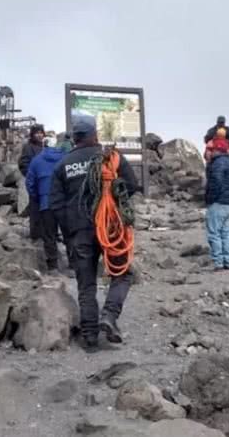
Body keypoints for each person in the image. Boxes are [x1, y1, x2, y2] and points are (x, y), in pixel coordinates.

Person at [49, 115, 137, 352]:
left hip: (78, 232)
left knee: (86, 283)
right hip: (110, 228)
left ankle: (89, 336)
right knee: (123, 273)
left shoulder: (62, 166)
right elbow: (132, 184)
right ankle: (109, 316)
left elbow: (55, 204)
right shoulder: (111, 158)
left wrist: (69, 231)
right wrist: (116, 204)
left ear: (74, 138)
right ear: (95, 135)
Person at [26, 136, 68, 272]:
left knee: (49, 235)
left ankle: (53, 267)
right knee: (69, 234)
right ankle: (73, 265)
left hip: (46, 203)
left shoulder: (36, 161)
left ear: (44, 145)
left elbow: (30, 183)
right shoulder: (66, 159)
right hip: (64, 202)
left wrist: (37, 198)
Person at [204, 138, 229, 271]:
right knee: (225, 233)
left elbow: (215, 182)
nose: (209, 152)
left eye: (212, 149)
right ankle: (228, 261)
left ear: (217, 150)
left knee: (214, 233)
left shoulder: (217, 163)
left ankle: (218, 262)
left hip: (217, 202)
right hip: (227, 202)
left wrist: (209, 199)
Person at [20, 124, 46, 240]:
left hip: (46, 184)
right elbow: (23, 164)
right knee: (35, 209)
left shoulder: (45, 146)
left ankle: (47, 234)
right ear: (32, 134)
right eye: (37, 133)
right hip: (35, 183)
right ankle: (35, 235)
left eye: (41, 132)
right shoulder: (28, 147)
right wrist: (32, 177)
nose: (39, 135)